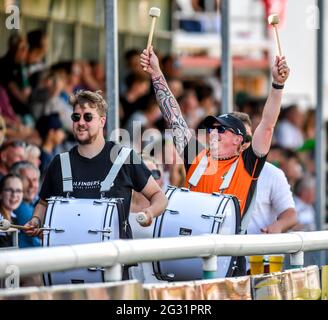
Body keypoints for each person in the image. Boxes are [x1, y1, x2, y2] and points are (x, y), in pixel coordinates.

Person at [141, 46, 290, 275]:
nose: (214, 132)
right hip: (189, 254)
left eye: (222, 130)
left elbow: (268, 124)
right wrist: (156, 73)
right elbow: (174, 117)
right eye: (212, 128)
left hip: (228, 260)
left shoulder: (248, 163)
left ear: (239, 139)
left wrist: (277, 85)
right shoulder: (197, 157)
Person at [24, 90, 168, 277]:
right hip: (67, 267)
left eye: (87, 117)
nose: (80, 122)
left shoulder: (124, 158)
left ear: (102, 121)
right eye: (76, 117)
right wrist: (36, 220)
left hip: (113, 267)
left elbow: (159, 197)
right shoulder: (59, 162)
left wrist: (148, 213)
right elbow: (43, 203)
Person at [11, 161, 41, 249]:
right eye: (26, 180)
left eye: (35, 180)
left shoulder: (32, 204)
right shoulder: (19, 207)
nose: (32, 185)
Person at [0, 174, 23, 248]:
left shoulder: (14, 217)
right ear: (0, 193)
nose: (14, 195)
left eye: (18, 191)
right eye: (9, 190)